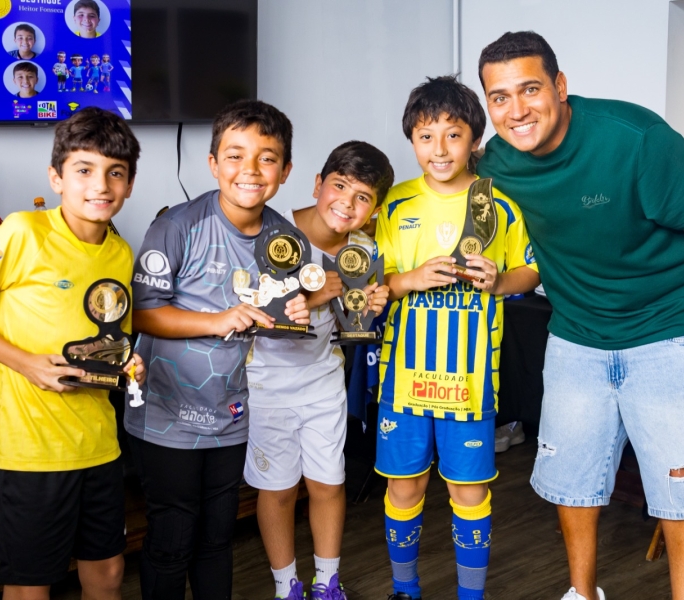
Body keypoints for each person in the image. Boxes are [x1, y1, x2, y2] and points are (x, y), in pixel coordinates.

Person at [476, 31, 684, 600]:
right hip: (577, 336)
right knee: (572, 477)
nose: (516, 110)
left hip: (672, 330)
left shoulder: (637, 139)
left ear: (560, 87)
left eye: (530, 89)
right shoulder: (498, 161)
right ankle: (582, 592)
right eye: (499, 97)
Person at [0, 107, 146, 600]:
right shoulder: (22, 231)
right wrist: (25, 363)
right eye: (84, 170)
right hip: (34, 452)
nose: (101, 185)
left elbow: (109, 340)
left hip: (100, 445)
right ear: (56, 177)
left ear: (130, 184)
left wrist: (127, 365)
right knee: (30, 587)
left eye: (115, 173)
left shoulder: (120, 251)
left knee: (108, 574)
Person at [125, 99, 310, 600]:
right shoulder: (177, 226)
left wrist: (294, 314)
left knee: (216, 539)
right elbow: (139, 313)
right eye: (235, 156)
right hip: (167, 415)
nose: (250, 170)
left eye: (267, 158)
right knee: (171, 538)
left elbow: (274, 321)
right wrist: (217, 320)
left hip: (233, 414)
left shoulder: (286, 240)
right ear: (212, 164)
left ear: (285, 171)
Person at [376, 75, 540, 600]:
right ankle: (405, 589)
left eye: (453, 135)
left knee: (468, 491)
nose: (440, 149)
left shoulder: (500, 203)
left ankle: (472, 595)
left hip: (468, 383)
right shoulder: (394, 203)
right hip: (403, 379)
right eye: (426, 136)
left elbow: (531, 270)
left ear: (475, 139)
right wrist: (409, 279)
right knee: (404, 486)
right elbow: (371, 284)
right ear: (411, 140)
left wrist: (500, 281)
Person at [244, 141, 394, 600]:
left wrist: (373, 302)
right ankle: (286, 587)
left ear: (374, 210)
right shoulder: (273, 231)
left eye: (362, 197)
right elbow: (250, 308)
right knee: (278, 490)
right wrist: (314, 296)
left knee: (329, 484)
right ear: (317, 184)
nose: (346, 203)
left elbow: (355, 318)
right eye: (339, 186)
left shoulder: (363, 249)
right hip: (266, 381)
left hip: (324, 381)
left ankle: (328, 582)